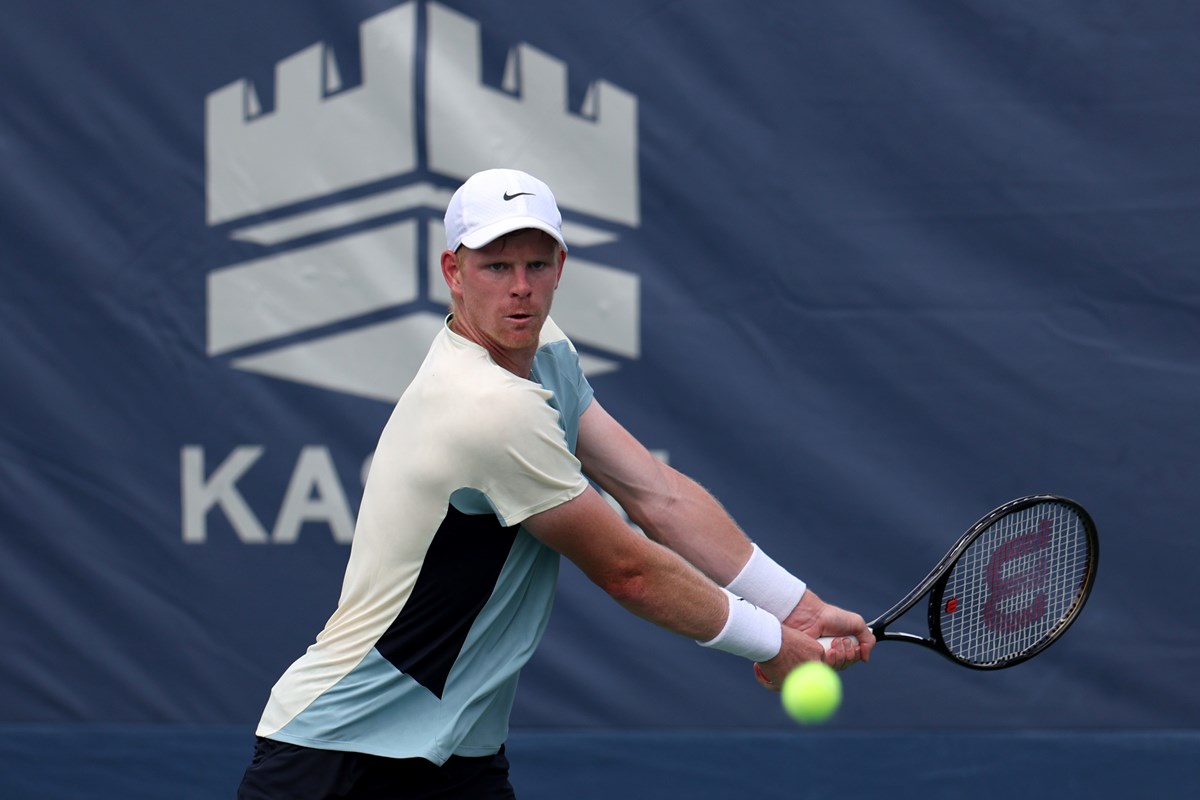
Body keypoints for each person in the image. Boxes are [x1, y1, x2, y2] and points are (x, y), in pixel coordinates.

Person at [236, 168, 875, 799]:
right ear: (452, 273)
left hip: (458, 752)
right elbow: (629, 570)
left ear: (561, 267)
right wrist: (770, 643)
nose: (521, 290)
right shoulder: (487, 407)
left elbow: (656, 494)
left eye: (536, 266)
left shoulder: (546, 354)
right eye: (495, 267)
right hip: (341, 755)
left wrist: (799, 609)